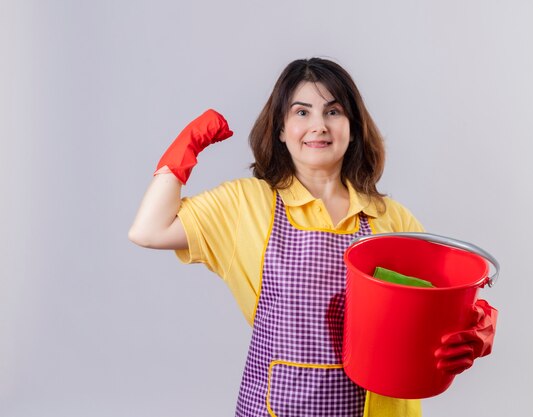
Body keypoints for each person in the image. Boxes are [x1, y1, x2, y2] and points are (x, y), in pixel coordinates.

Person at [128, 57, 497, 417]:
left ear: (352, 126)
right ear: (280, 129)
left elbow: (439, 303)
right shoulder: (245, 204)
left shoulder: (390, 219)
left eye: (333, 112)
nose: (318, 125)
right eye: (301, 112)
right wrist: (184, 150)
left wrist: (477, 326)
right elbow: (149, 230)